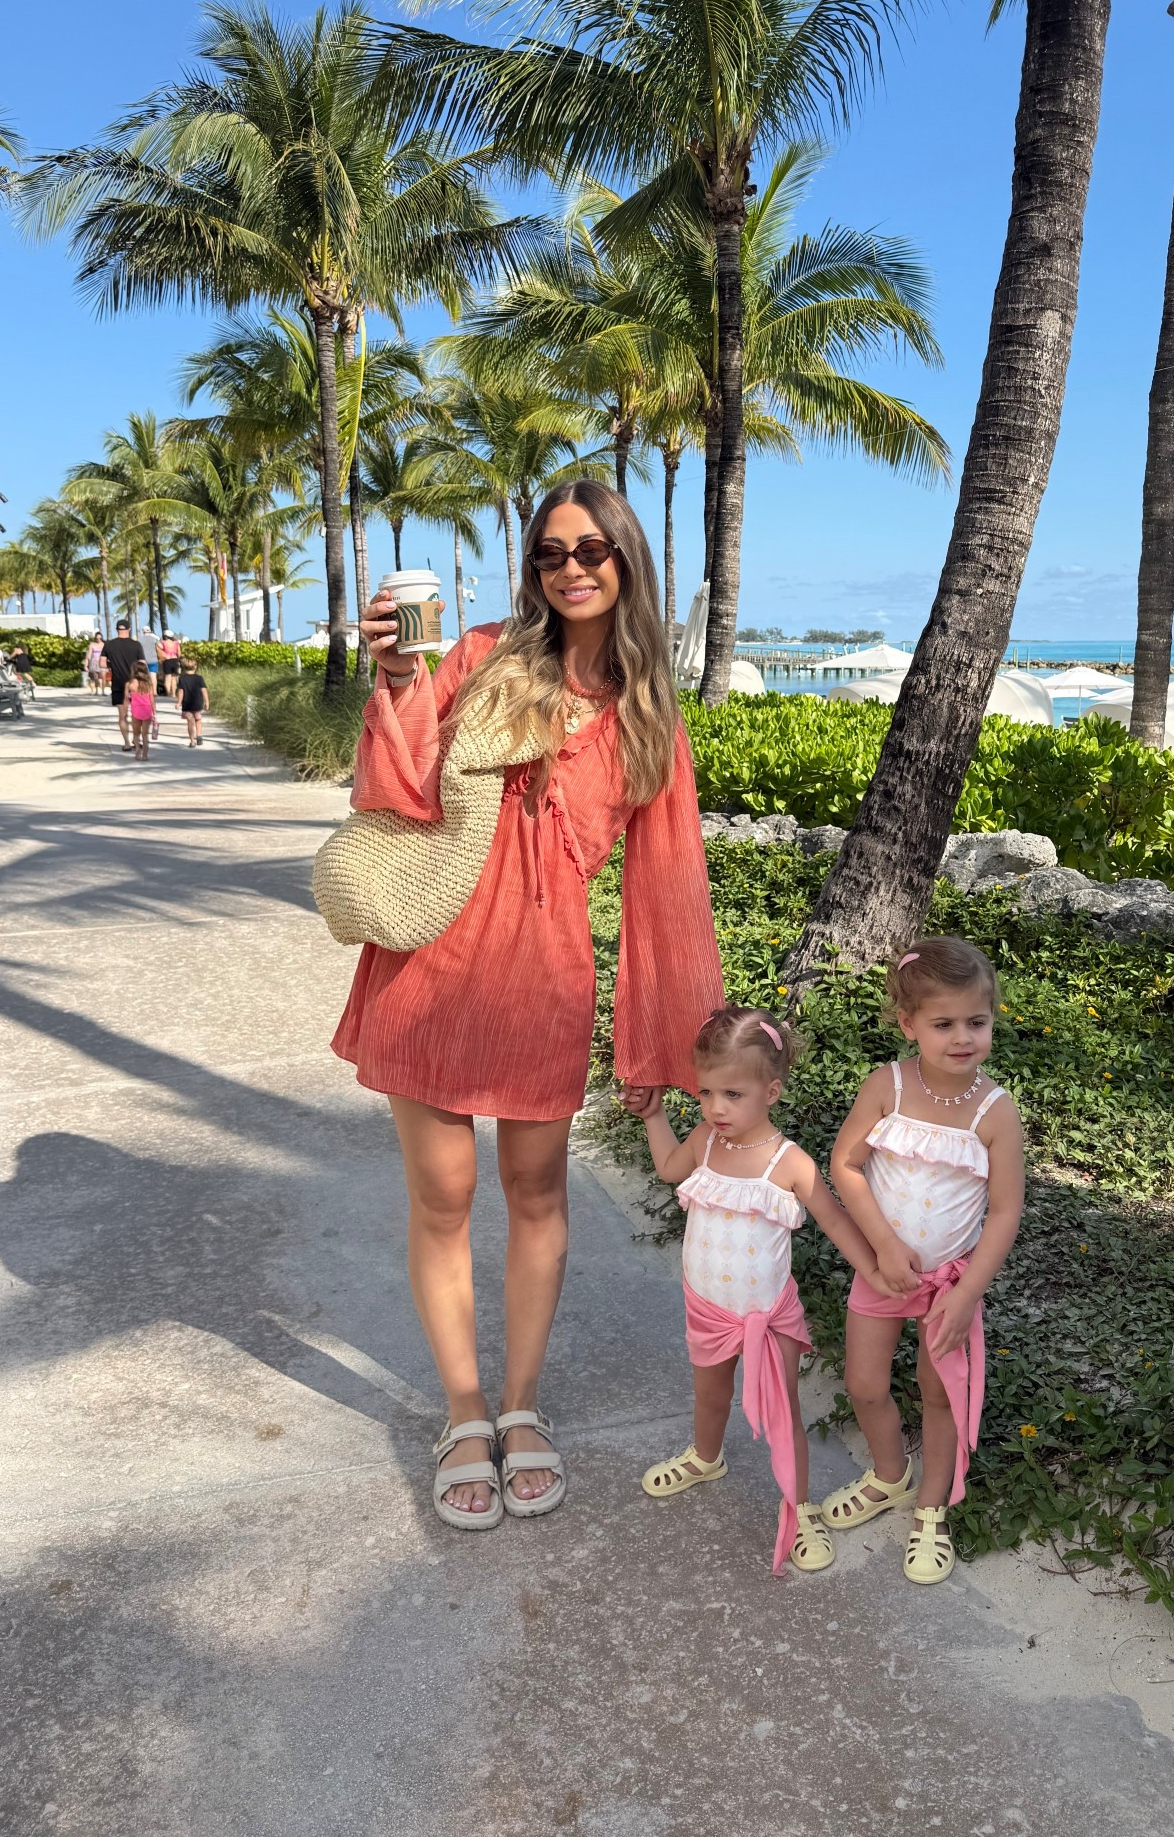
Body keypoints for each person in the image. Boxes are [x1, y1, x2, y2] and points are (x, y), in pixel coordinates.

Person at [337, 480, 723, 1531]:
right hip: (430, 957)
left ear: (626, 559)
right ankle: (464, 1410)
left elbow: (667, 891)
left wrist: (667, 1047)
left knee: (538, 1192)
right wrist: (396, 677)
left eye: (591, 549)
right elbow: (398, 784)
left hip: (545, 976)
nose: (570, 568)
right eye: (551, 553)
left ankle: (520, 1403)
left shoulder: (647, 715)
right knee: (443, 1194)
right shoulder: (482, 658)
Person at [628, 1008, 880, 1575]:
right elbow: (668, 1167)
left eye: (733, 1095)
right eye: (706, 1093)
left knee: (783, 1410)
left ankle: (800, 1506)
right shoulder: (706, 1141)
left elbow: (836, 1222)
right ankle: (705, 1456)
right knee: (710, 1394)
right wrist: (654, 1115)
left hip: (768, 1315)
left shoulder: (789, 1163)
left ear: (771, 1092)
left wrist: (876, 1269)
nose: (716, 1108)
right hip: (708, 1308)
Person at [823, 937, 1025, 1586]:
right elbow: (845, 1164)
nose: (962, 1037)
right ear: (908, 1024)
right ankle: (890, 1474)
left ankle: (931, 1507)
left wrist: (966, 1296)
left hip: (950, 1286)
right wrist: (882, 1243)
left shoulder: (995, 1113)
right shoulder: (886, 1086)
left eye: (976, 1021)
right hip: (884, 1273)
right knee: (864, 1384)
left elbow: (1004, 1212)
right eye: (943, 1024)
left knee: (938, 1394)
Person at [101, 620, 148, 751]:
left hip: (118, 683)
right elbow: (143, 664)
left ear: (117, 630)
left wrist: (113, 664)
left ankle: (126, 743)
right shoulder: (136, 645)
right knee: (137, 715)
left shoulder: (109, 645)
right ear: (129, 629)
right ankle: (136, 740)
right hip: (135, 683)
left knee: (122, 716)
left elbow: (102, 664)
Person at [124, 665, 156, 760]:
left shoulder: (129, 684)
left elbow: (126, 700)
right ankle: (145, 755)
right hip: (147, 710)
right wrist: (154, 713)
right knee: (145, 735)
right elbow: (152, 701)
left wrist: (125, 711)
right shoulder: (148, 685)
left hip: (135, 710)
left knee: (136, 734)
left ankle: (137, 751)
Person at [176, 658, 208, 745]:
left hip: (187, 703)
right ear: (195, 667)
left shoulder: (182, 678)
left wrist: (179, 702)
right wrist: (207, 701)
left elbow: (181, 691)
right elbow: (204, 690)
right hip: (197, 702)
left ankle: (192, 741)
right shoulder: (199, 678)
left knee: (190, 721)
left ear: (184, 667)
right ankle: (199, 735)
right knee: (198, 719)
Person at [158, 632, 182, 697]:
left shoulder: (163, 642)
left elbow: (158, 649)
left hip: (167, 660)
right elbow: (179, 653)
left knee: (167, 678)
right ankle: (173, 694)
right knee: (174, 678)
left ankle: (168, 693)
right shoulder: (176, 643)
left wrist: (162, 657)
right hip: (175, 660)